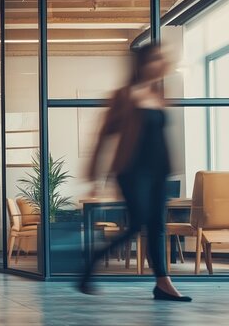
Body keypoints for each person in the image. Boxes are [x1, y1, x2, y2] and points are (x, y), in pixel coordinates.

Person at [79, 44, 191, 302]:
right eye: (155, 59)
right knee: (137, 224)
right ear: (142, 63)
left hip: (159, 172)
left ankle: (163, 283)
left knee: (157, 227)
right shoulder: (125, 95)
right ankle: (92, 262)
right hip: (132, 171)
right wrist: (95, 177)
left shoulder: (160, 94)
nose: (160, 64)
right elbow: (104, 135)